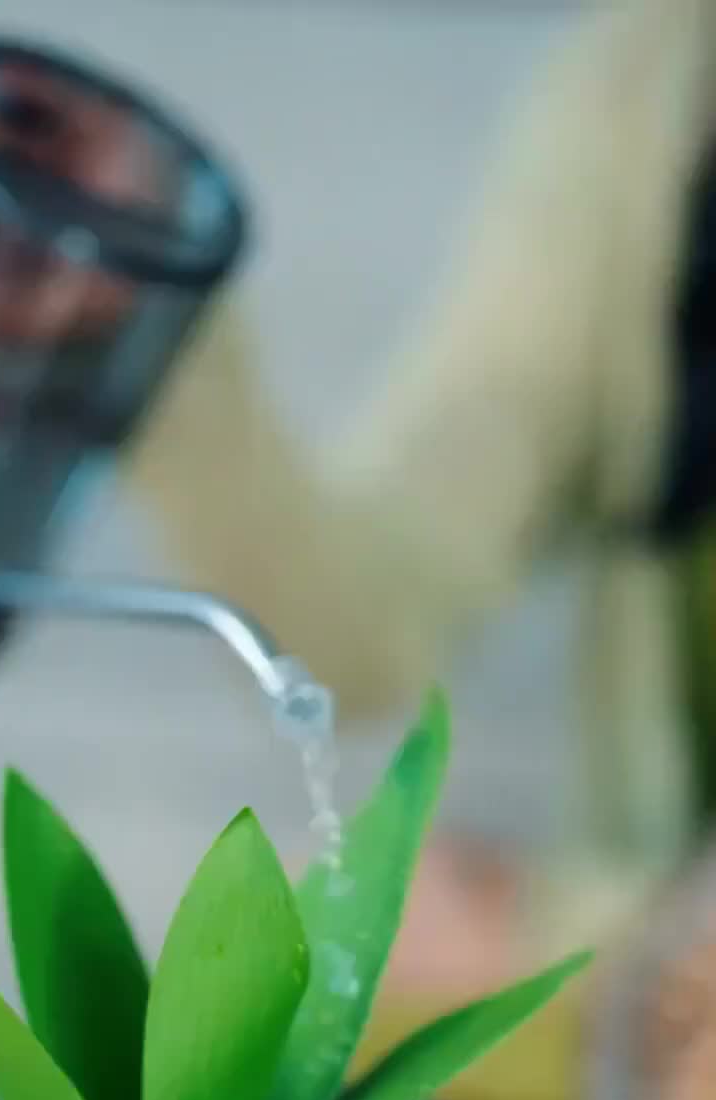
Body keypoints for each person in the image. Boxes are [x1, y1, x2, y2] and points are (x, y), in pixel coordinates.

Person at [126, 0, 716, 955]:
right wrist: (148, 305)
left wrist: (577, 934)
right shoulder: (649, 80)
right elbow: (356, 633)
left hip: (639, 977)